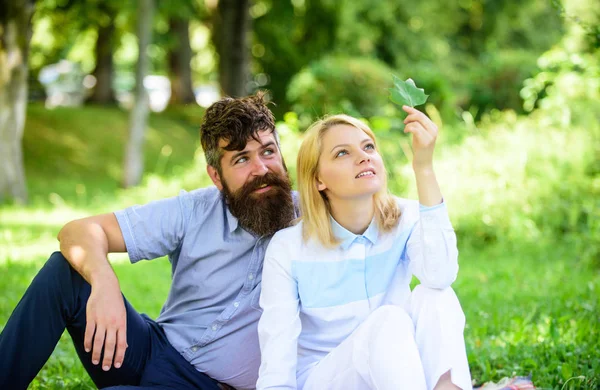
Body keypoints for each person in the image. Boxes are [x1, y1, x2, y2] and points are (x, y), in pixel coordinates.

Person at [0, 92, 298, 390]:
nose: (261, 169)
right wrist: (105, 284)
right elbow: (77, 232)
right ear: (216, 177)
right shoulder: (195, 211)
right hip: (150, 351)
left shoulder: (315, 218)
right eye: (242, 159)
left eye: (268, 152)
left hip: (207, 387)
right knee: (63, 273)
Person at [256, 106, 473, 390]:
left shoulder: (405, 217)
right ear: (318, 179)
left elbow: (441, 274)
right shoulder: (288, 249)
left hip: (397, 372)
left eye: (368, 146)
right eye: (342, 153)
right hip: (328, 378)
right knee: (389, 320)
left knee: (435, 295)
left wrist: (424, 167)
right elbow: (277, 354)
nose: (363, 157)